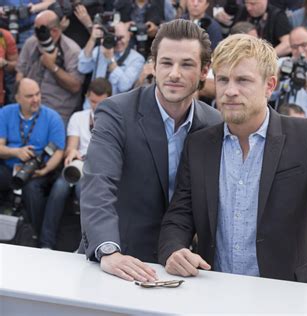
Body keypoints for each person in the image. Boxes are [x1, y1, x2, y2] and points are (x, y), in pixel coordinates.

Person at [159, 34, 307, 314]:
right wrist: (173, 249)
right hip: (215, 294)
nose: (229, 91)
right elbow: (179, 215)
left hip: (290, 297)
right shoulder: (199, 144)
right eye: (223, 79)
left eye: (243, 80)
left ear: (270, 85)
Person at [80, 19, 222, 282]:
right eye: (166, 63)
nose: (174, 73)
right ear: (153, 66)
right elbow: (98, 184)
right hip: (118, 263)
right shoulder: (116, 112)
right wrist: (109, 250)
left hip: (184, 268)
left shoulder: (215, 124)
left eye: (187, 64)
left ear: (204, 71)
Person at [39, 78, 112, 250]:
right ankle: (46, 243)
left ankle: (85, 246)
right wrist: (72, 152)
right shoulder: (78, 117)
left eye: (100, 102)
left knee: (83, 192)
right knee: (58, 189)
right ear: (87, 97)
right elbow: (71, 146)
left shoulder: (114, 120)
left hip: (99, 170)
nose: (95, 106)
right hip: (77, 167)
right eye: (92, 101)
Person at [0, 78, 65, 235]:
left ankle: (37, 235)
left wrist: (44, 170)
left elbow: (59, 152)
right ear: (17, 98)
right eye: (29, 96)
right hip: (10, 166)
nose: (35, 99)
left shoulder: (52, 117)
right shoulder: (5, 113)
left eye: (38, 94)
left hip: (39, 170)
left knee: (32, 189)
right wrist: (15, 152)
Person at [16, 10, 84, 123]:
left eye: (40, 31)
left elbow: (75, 87)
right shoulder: (31, 43)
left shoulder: (72, 51)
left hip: (58, 111)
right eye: (35, 29)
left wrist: (52, 66)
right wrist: (19, 95)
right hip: (28, 107)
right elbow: (20, 71)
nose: (36, 34)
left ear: (55, 31)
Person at [78, 22, 145, 95]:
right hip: (93, 103)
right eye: (115, 38)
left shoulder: (137, 59)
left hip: (114, 103)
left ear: (129, 36)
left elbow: (124, 86)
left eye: (121, 38)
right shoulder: (100, 51)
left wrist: (110, 60)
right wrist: (92, 40)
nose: (118, 42)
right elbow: (82, 68)